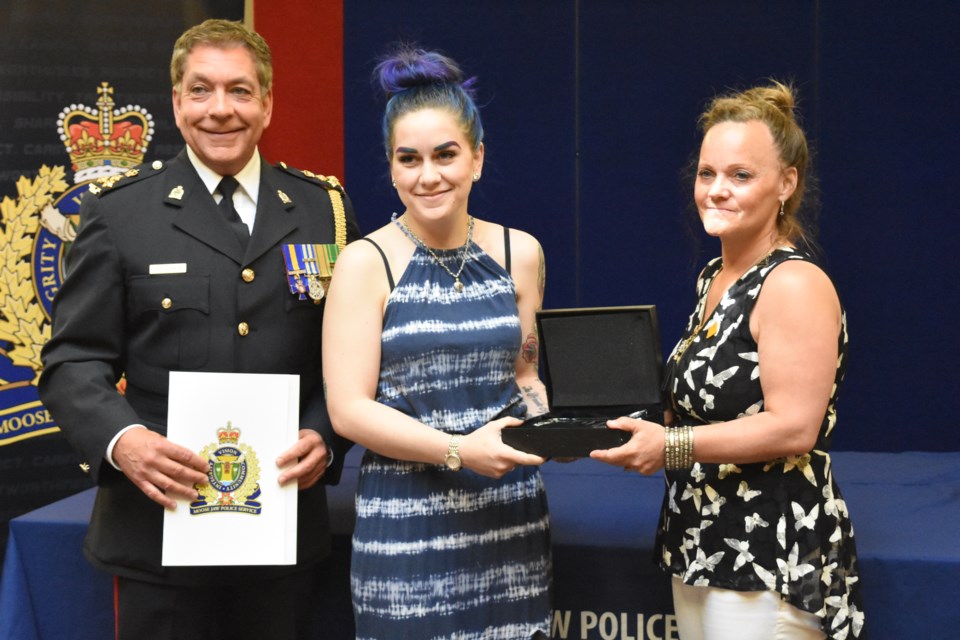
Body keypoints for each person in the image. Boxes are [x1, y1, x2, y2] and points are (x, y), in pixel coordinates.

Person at [38, 18, 361, 640]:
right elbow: (73, 359)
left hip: (281, 530)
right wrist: (123, 440)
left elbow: (346, 356)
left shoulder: (325, 209)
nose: (221, 110)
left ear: (267, 103)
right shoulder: (118, 212)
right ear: (176, 101)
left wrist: (326, 433)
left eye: (240, 91)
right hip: (157, 531)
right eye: (201, 90)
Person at [591, 81, 865, 640]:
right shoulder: (715, 279)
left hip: (768, 556)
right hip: (700, 545)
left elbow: (794, 427)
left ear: (786, 183)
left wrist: (668, 447)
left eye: (741, 175)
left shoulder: (794, 283)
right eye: (707, 173)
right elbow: (704, 410)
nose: (717, 190)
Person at [321, 45, 552, 638]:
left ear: (477, 157)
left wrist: (559, 426)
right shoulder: (363, 262)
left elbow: (525, 378)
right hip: (406, 527)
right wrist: (458, 450)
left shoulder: (519, 254)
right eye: (409, 159)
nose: (429, 176)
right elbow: (349, 411)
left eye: (446, 154)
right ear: (392, 167)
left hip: (509, 519)